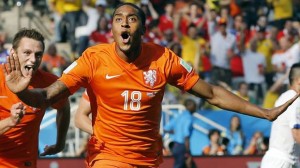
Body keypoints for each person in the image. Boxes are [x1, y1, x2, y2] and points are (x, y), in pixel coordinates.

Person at [2, 3, 298, 168]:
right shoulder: (93, 59)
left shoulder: (164, 59)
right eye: (119, 19)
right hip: (107, 156)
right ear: (113, 29)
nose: (125, 23)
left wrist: (264, 112)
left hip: (148, 159)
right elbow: (48, 97)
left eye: (131, 19)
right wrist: (22, 91)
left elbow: (212, 94)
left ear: (142, 28)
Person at [0, 28, 70, 168]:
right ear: (13, 53)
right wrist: (10, 121)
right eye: (27, 53)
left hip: (24, 163)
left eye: (38, 55)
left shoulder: (49, 83)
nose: (33, 60)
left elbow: (64, 107)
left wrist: (60, 142)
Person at [261, 63, 300, 168]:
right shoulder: (295, 99)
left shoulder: (284, 97)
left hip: (282, 160)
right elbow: (297, 133)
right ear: (299, 80)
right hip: (282, 162)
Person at [164, 99, 196, 168]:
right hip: (182, 146)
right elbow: (186, 135)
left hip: (175, 146)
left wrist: (175, 132)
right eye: (194, 106)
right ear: (191, 107)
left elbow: (166, 128)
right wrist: (188, 151)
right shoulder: (188, 118)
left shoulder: (179, 115)